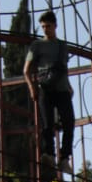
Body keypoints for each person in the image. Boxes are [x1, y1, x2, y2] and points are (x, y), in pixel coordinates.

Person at [24, 11, 76, 171]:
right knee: (47, 124)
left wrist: (69, 86)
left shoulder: (62, 46)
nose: (45, 29)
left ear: (55, 26)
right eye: (43, 27)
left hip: (62, 89)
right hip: (45, 88)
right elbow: (26, 70)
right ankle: (50, 154)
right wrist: (32, 88)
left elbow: (63, 69)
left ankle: (65, 157)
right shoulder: (37, 45)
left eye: (48, 26)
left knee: (69, 123)